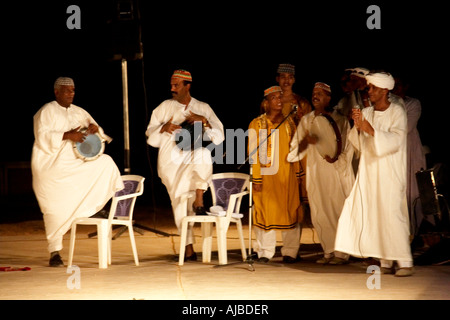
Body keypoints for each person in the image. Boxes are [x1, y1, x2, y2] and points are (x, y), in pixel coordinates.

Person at [32, 77, 124, 267]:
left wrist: (95, 129)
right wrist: (67, 135)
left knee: (106, 163)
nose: (71, 93)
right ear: (56, 92)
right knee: (55, 209)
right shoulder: (46, 111)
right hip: (53, 167)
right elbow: (42, 137)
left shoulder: (80, 111)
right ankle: (55, 251)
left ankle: (96, 209)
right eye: (67, 90)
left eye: (73, 90)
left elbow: (99, 134)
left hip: (76, 164)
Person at [334, 72, 414, 277]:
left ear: (384, 90)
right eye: (369, 88)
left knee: (391, 214)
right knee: (374, 213)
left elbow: (396, 140)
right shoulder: (367, 111)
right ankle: (385, 261)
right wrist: (358, 127)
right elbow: (357, 142)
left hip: (390, 171)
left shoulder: (397, 111)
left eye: (372, 88)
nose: (369, 91)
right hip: (369, 171)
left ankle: (404, 261)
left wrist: (370, 130)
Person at [146, 70, 224, 261]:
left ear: (188, 85)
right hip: (170, 161)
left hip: (192, 157)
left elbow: (219, 136)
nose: (172, 89)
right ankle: (188, 248)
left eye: (176, 85)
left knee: (204, 153)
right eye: (171, 85)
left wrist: (204, 121)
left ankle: (199, 198)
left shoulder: (202, 107)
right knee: (179, 201)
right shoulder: (165, 107)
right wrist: (164, 128)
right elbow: (150, 136)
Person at [287, 82, 355, 264]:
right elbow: (294, 152)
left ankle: (342, 253)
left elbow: (349, 148)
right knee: (319, 212)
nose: (315, 96)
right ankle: (328, 251)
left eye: (320, 93)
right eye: (314, 92)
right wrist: (306, 142)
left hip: (335, 173)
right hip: (315, 173)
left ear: (328, 98)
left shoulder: (340, 119)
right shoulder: (306, 120)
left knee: (337, 210)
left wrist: (337, 162)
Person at [249, 86, 301, 263]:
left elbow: (297, 150)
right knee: (264, 213)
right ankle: (265, 252)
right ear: (266, 103)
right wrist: (256, 177)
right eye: (274, 98)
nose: (279, 100)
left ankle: (290, 252)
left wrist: (300, 175)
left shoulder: (290, 123)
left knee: (290, 211)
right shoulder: (257, 124)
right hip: (265, 177)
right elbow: (253, 153)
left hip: (287, 176)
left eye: (280, 97)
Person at [393, 76, 427, 232]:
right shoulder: (388, 104)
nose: (396, 88)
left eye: (399, 84)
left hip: (409, 150)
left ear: (406, 87)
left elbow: (405, 128)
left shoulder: (413, 104)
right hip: (393, 151)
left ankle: (416, 231)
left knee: (412, 191)